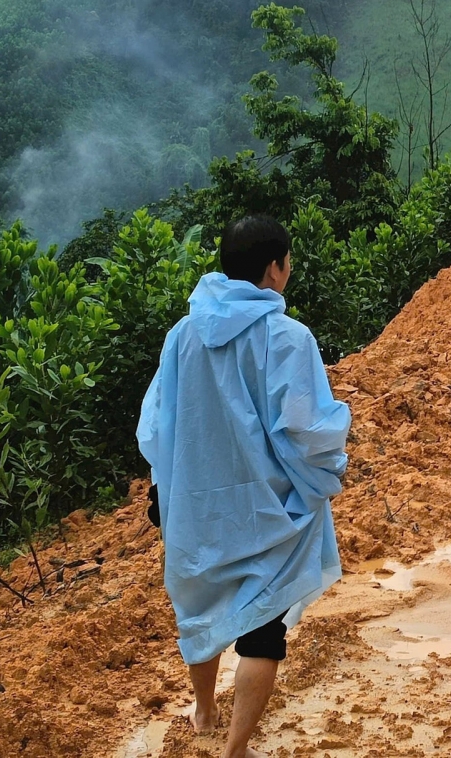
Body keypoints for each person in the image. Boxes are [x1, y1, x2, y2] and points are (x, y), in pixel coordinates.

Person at [138, 216, 351, 758]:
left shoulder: (182, 335)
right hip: (266, 506)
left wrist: (163, 488)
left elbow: (158, 423)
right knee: (263, 627)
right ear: (275, 268)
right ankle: (235, 749)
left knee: (201, 603)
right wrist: (328, 476)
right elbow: (305, 428)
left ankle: (204, 710)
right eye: (289, 261)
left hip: (196, 502)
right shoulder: (287, 337)